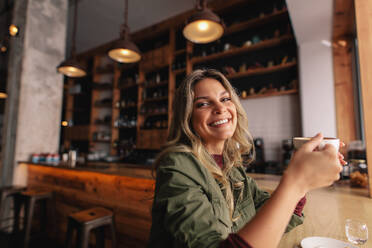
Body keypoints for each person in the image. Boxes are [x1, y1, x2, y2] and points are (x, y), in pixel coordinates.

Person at [147, 69, 345, 248]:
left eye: (225, 99)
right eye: (203, 104)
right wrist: (296, 181)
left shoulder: (232, 166)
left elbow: (268, 215)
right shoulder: (177, 167)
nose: (220, 108)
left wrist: (303, 177)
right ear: (187, 118)